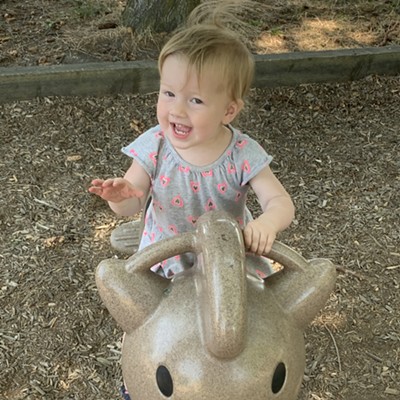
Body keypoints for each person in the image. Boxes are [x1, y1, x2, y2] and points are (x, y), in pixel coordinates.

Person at [89, 1, 294, 397]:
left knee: (233, 329)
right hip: (165, 254)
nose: (176, 109)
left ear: (229, 110)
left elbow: (281, 202)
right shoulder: (155, 145)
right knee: (151, 320)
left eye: (195, 100)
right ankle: (142, 376)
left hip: (225, 257)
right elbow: (131, 204)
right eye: (168, 93)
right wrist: (122, 197)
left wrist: (267, 224)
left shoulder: (243, 154)